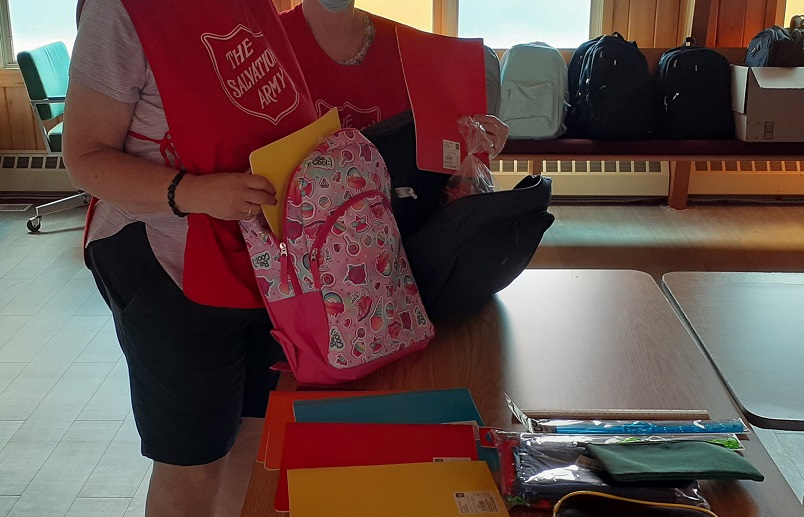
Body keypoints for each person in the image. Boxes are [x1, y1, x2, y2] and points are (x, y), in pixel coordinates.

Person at [63, 0, 317, 515]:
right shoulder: (120, 12)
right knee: (191, 462)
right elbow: (84, 159)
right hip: (166, 263)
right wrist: (193, 193)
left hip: (259, 257)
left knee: (253, 433)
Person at [280, 0, 510, 156]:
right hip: (293, 222)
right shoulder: (261, 44)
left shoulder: (412, 50)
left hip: (398, 219)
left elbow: (442, 157)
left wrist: (481, 140)